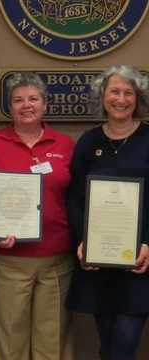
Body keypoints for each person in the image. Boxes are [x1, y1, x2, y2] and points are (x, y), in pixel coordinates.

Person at [0, 72, 75, 359]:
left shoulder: (65, 145)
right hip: (8, 260)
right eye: (18, 100)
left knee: (52, 341)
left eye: (33, 99)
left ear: (45, 104)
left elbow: (76, 199)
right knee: (9, 340)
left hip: (57, 260)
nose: (26, 105)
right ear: (9, 107)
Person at [66, 65, 149, 360]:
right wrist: (82, 240)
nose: (121, 99)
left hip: (140, 263)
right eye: (114, 91)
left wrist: (148, 244)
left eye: (129, 93)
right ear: (103, 97)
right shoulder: (89, 142)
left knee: (123, 349)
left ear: (138, 99)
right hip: (98, 261)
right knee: (107, 347)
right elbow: (75, 198)